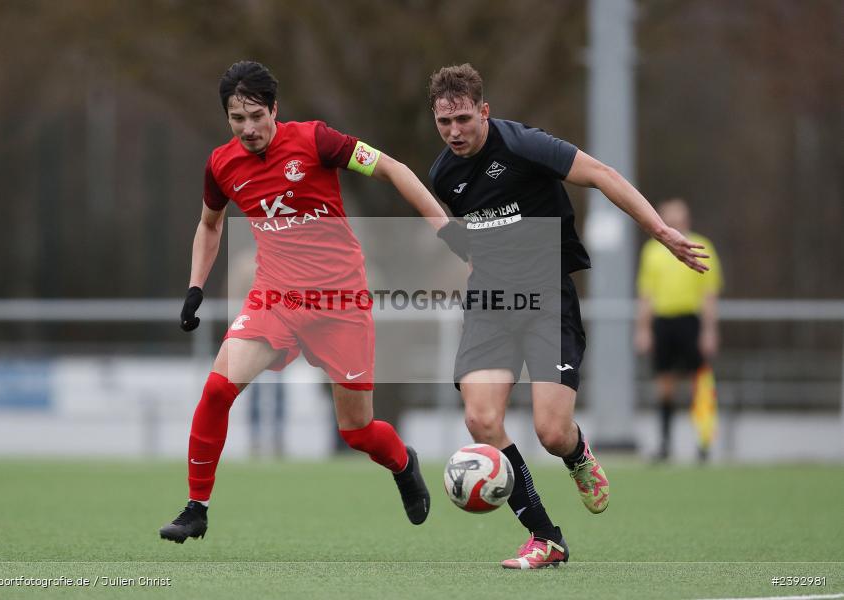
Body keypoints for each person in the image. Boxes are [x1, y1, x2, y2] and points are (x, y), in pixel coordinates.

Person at [427, 64, 709, 569]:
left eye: (464, 119)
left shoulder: (523, 145)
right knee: (480, 417)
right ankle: (545, 536)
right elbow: (451, 224)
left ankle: (577, 455)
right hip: (490, 303)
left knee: (552, 432)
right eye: (444, 123)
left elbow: (603, 175)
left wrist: (661, 231)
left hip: (546, 300)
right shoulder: (444, 173)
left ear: (484, 112)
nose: (454, 133)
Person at [160, 60, 451, 543]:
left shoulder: (316, 141)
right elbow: (210, 225)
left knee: (356, 431)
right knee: (217, 391)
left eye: (257, 115)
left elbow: (392, 168)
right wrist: (195, 286)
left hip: (341, 302)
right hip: (275, 297)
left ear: (275, 109)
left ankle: (403, 463)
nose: (249, 128)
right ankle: (196, 507)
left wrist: (443, 226)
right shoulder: (221, 165)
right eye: (238, 119)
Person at [635, 198, 723, 462]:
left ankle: (704, 442)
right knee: (664, 384)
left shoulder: (702, 245)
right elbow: (646, 295)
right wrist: (643, 329)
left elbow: (709, 294)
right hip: (663, 322)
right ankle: (664, 443)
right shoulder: (652, 251)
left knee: (700, 383)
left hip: (690, 321)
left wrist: (709, 330)